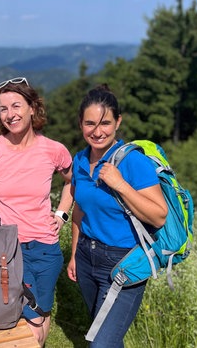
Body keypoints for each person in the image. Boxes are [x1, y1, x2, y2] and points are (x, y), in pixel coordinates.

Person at [0, 76, 73, 346]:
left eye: (16, 106)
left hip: (46, 249)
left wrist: (62, 214)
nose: (10, 114)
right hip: (7, 251)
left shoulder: (54, 150)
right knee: (28, 324)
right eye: (3, 109)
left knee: (42, 312)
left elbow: (74, 181)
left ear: (32, 107)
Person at [66, 84, 167, 347]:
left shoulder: (133, 162)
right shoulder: (79, 160)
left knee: (101, 343)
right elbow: (80, 208)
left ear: (118, 122)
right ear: (80, 124)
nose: (97, 132)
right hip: (87, 257)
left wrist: (120, 184)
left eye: (105, 123)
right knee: (107, 337)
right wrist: (75, 253)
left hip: (122, 263)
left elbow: (158, 216)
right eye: (90, 123)